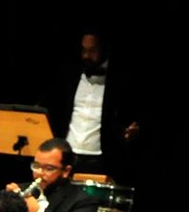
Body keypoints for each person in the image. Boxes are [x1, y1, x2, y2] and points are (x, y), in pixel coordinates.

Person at [49, 32, 140, 177]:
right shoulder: (71, 75)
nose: (86, 55)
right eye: (84, 50)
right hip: (68, 154)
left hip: (99, 158)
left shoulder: (120, 81)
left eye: (92, 51)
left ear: (105, 50)